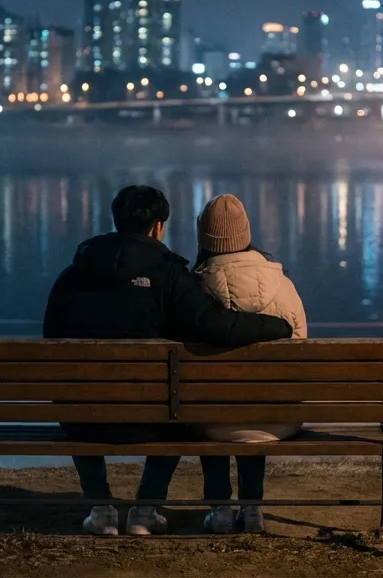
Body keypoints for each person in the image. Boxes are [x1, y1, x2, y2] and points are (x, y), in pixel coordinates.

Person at [43, 185, 293, 537]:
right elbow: (213, 325)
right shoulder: (170, 276)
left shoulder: (72, 277)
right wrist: (275, 326)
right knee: (178, 410)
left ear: (117, 221)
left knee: (76, 399)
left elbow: (50, 343)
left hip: (83, 418)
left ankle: (101, 510)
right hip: (152, 419)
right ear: (158, 227)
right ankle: (145, 510)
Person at [190, 193, 307, 534]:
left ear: (204, 238)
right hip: (277, 419)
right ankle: (252, 508)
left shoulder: (193, 291)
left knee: (212, 402)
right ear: (246, 234)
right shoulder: (284, 288)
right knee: (259, 398)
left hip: (209, 422)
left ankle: (221, 508)